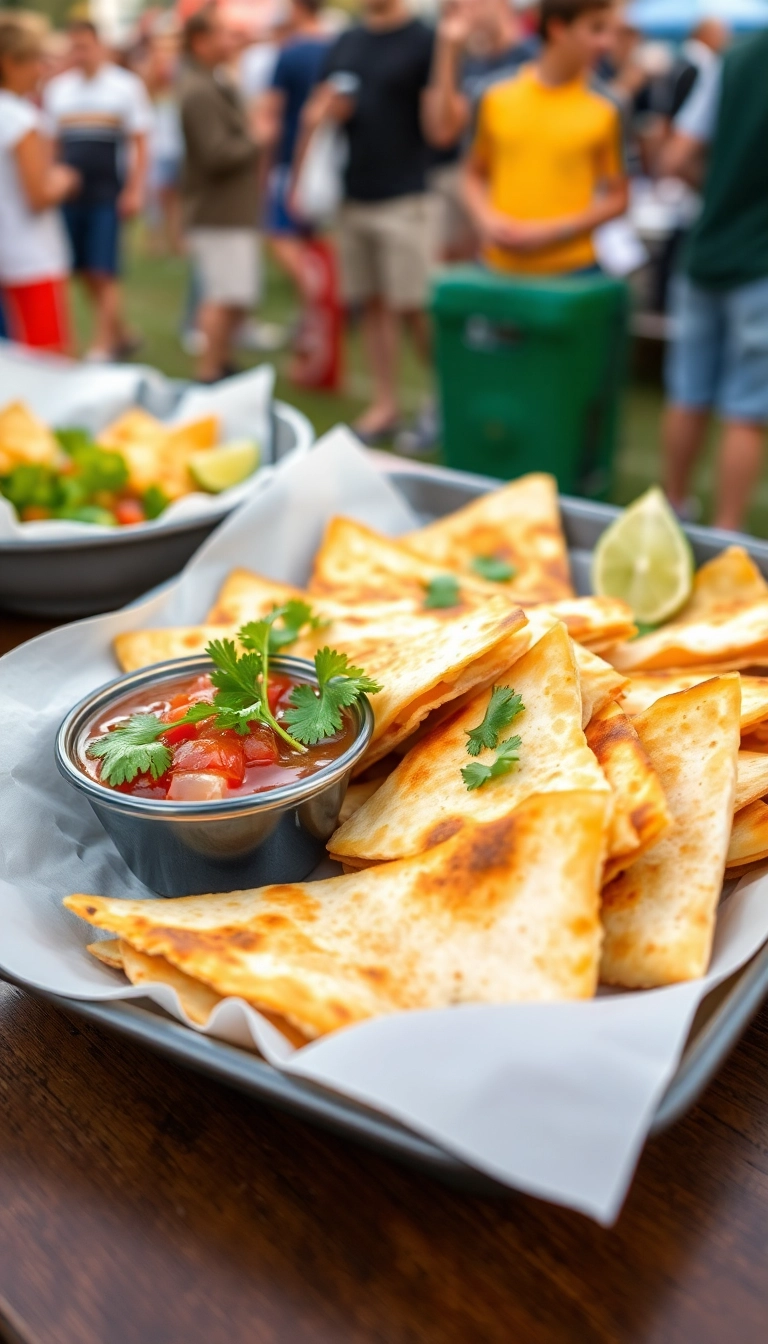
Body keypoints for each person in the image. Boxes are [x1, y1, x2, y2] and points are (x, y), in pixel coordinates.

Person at [299, 0, 437, 443]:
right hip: (354, 192)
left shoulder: (424, 39)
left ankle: (447, 401)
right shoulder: (347, 41)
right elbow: (320, 104)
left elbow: (440, 123)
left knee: (417, 306)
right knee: (373, 303)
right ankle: (385, 404)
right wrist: (325, 114)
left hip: (406, 194)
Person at [660, 28, 768, 534]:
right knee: (747, 409)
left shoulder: (734, 59)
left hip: (706, 248)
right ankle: (726, 533)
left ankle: (672, 508)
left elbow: (676, 156)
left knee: (689, 392)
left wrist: (721, 196)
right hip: (758, 263)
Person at [463, 0, 628, 277]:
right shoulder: (493, 95)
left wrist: (554, 232)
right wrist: (486, 220)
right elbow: (471, 174)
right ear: (558, 28)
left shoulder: (609, 105)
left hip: (574, 271)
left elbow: (619, 197)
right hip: (498, 267)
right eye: (597, 29)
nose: (607, 43)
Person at [44, 19, 151, 360]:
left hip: (107, 190)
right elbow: (51, 144)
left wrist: (135, 189)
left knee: (104, 268)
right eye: (74, 47)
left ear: (99, 46)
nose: (79, 54)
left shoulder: (124, 87)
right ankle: (122, 333)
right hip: (70, 194)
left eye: (85, 46)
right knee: (83, 270)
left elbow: (140, 141)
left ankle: (103, 345)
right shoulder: (58, 89)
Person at [178, 5, 260, 383]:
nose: (232, 40)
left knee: (233, 294)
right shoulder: (198, 90)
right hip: (218, 211)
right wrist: (257, 139)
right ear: (201, 41)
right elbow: (216, 154)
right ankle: (209, 370)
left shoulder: (212, 82)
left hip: (231, 210)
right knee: (221, 295)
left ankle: (222, 363)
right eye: (223, 33)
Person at [0, 13, 79, 354]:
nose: (41, 68)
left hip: (9, 253)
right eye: (35, 59)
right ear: (9, 62)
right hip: (31, 258)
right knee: (46, 370)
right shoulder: (20, 118)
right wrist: (65, 179)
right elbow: (38, 194)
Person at [254, 0, 329, 311]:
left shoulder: (289, 53)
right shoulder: (336, 47)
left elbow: (270, 116)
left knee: (280, 233)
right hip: (329, 162)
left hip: (291, 160)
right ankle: (323, 302)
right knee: (317, 239)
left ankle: (317, 299)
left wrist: (263, 167)